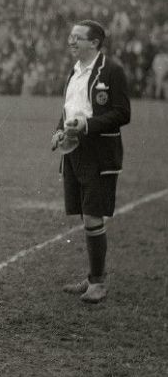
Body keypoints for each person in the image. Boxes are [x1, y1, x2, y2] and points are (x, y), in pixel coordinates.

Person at [51, 20, 130, 303]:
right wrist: (59, 130)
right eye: (70, 37)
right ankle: (91, 277)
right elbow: (69, 108)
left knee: (94, 214)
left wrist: (88, 124)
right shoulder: (74, 72)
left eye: (77, 38)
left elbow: (122, 113)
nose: (71, 42)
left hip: (100, 152)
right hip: (74, 150)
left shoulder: (112, 70)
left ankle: (98, 282)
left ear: (94, 42)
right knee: (87, 214)